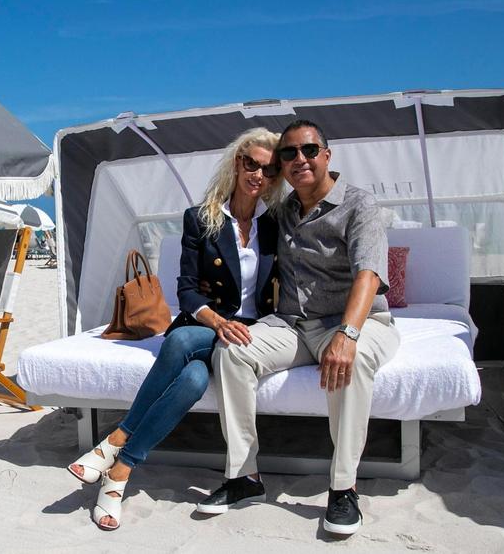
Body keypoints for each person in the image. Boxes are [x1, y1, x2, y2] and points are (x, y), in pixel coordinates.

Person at [66, 127, 285, 531]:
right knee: (189, 364)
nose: (257, 175)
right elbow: (185, 290)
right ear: (237, 163)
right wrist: (217, 321)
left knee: (187, 360)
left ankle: (116, 450)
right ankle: (121, 467)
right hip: (208, 323)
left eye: (269, 170)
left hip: (254, 333)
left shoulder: (276, 225)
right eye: (250, 163)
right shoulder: (201, 219)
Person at [197, 119, 400, 538]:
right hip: (292, 324)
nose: (299, 159)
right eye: (288, 154)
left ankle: (343, 488)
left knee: (353, 359)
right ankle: (244, 478)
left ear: (327, 154)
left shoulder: (359, 205)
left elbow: (369, 274)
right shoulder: (283, 212)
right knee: (231, 350)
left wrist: (347, 334)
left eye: (309, 150)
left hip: (352, 321)